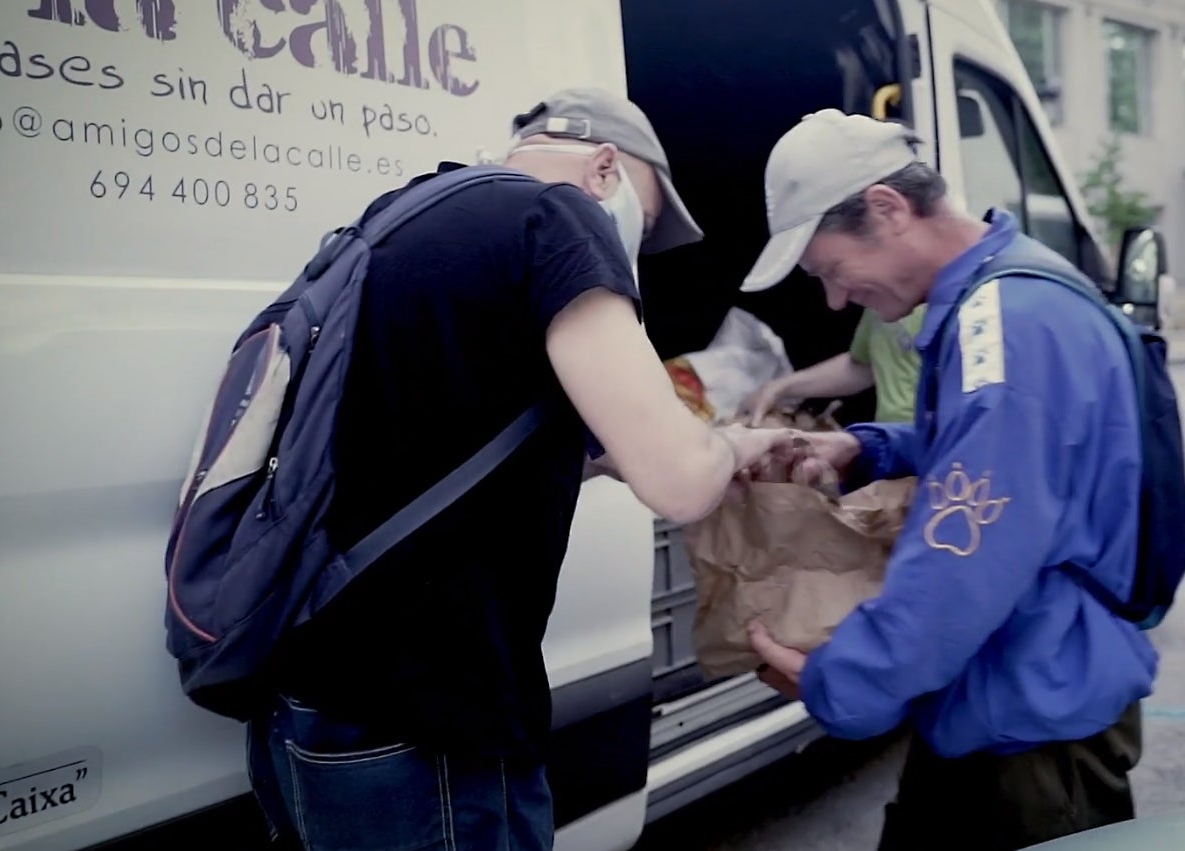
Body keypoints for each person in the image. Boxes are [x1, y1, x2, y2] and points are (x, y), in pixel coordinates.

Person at [244, 88, 796, 851]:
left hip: (311, 690)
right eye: (649, 217)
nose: (637, 249)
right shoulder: (556, 217)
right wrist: (734, 446)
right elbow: (681, 482)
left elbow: (459, 436)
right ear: (605, 166)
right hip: (425, 714)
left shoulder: (403, 218)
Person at [742, 109, 1156, 850]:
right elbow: (1017, 459)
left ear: (888, 208)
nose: (835, 299)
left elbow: (962, 562)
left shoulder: (1008, 332)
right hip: (999, 701)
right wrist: (869, 449)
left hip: (1032, 738)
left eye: (832, 271)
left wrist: (841, 682)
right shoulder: (1011, 290)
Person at [741, 304, 925, 425]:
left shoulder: (946, 306)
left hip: (935, 458)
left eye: (833, 271)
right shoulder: (878, 303)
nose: (837, 298)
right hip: (894, 449)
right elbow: (864, 365)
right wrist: (777, 387)